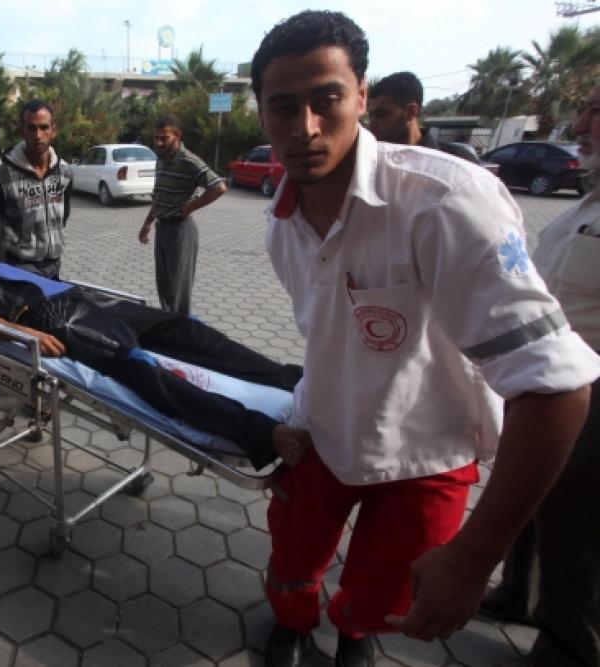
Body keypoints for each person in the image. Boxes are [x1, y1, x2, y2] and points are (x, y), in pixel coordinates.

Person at [250, 10, 599, 667]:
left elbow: (557, 387)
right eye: (283, 107)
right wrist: (293, 418)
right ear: (262, 113)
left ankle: (353, 632)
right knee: (292, 563)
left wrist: (475, 554)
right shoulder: (280, 221)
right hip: (321, 435)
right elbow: (322, 335)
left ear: (361, 96)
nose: (305, 128)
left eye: (326, 99)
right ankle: (293, 623)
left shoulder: (443, 201)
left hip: (427, 451)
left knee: (381, 593)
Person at [0, 260, 307, 469]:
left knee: (184, 328)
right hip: (53, 320)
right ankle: (260, 432)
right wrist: (27, 335)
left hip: (81, 300)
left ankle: (288, 377)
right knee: (139, 366)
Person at [479, 83, 600, 667]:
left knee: (578, 536)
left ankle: (568, 650)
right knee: (529, 499)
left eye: (596, 111)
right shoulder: (587, 205)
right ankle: (516, 596)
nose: (578, 125)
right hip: (538, 380)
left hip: (589, 396)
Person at [0, 99, 72, 278]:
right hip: (20, 267)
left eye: (44, 127)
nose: (38, 135)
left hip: (53, 264)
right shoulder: (3, 175)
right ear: (22, 131)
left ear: (53, 130)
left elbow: (63, 214)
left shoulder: (64, 172)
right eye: (31, 128)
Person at [138, 116, 227, 315]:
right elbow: (158, 195)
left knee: (178, 290)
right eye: (156, 138)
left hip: (180, 231)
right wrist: (147, 224)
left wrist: (190, 207)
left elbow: (218, 187)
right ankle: (170, 321)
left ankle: (181, 327)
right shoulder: (161, 160)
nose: (158, 143)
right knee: (164, 285)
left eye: (164, 138)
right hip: (162, 228)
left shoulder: (189, 161)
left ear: (177, 136)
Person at [367, 71, 481, 163]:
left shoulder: (458, 161)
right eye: (370, 116)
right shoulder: (370, 160)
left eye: (381, 115)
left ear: (411, 112)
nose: (371, 125)